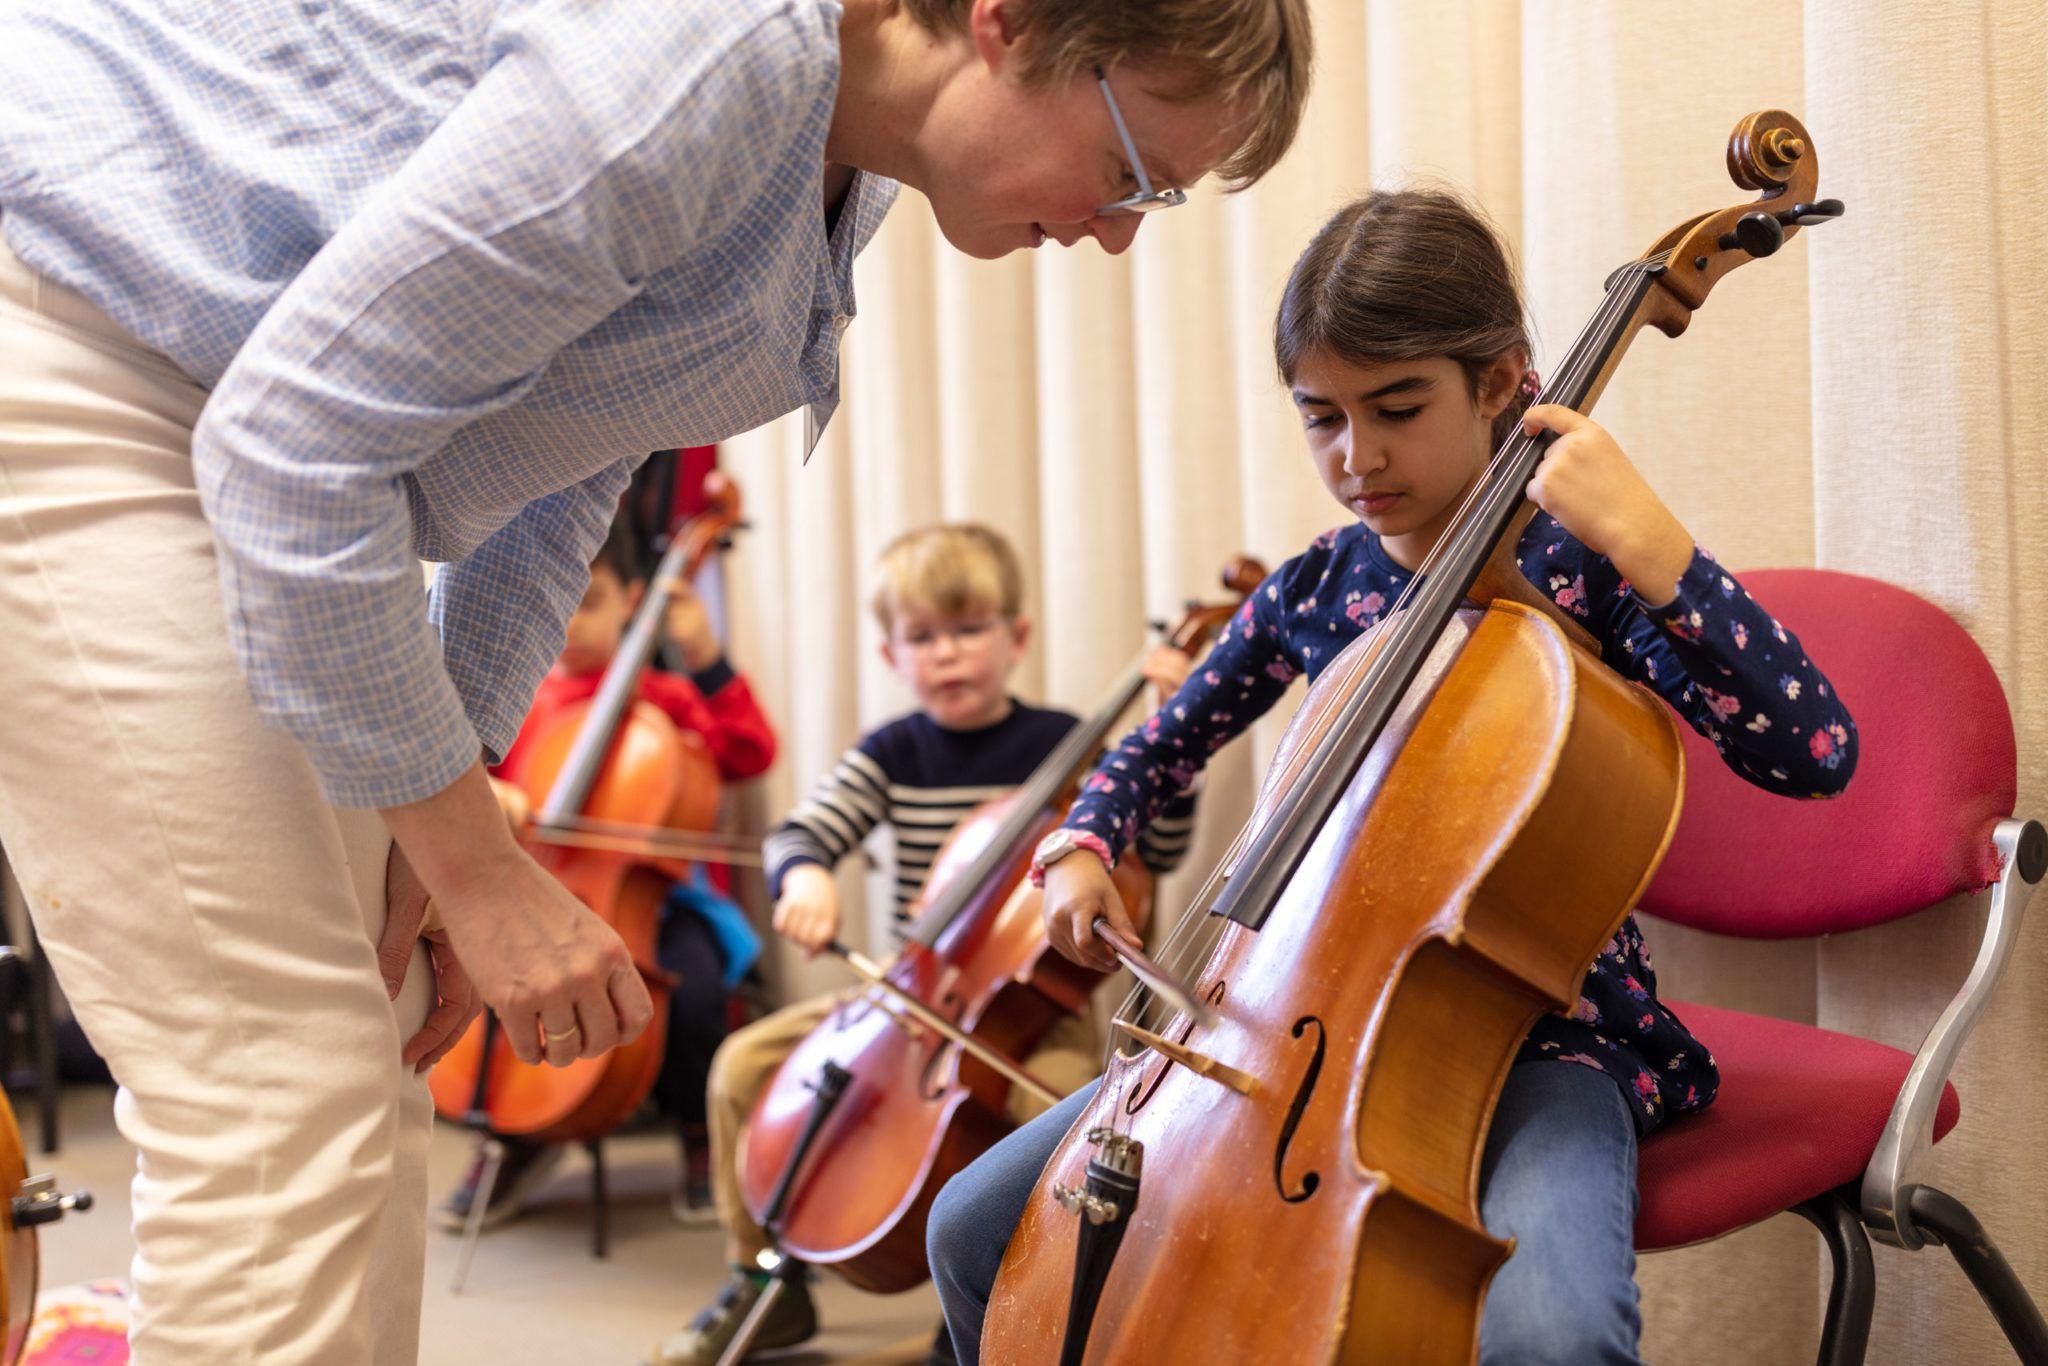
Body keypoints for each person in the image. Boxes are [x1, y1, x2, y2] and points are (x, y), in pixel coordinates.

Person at [0, 2, 1311, 1358]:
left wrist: (458, 809)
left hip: (224, 403)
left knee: (356, 1051)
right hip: (79, 328)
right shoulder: (713, 60)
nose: (1122, 229)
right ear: (1008, 25)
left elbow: (556, 459)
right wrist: (480, 871)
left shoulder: (834, 158)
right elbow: (291, 455)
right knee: (275, 1091)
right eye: (1134, 170)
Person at [924, 188, 1861, 1365]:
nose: (1355, 456)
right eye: (1319, 417)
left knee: (1553, 1335)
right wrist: (1082, 845)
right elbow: (1155, 748)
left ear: (1505, 381)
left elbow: (1815, 753)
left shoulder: (1583, 573)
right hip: (1274, 1028)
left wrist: (1654, 545)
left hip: (1533, 1037)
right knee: (971, 1229)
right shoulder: (1317, 590)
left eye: (1395, 407)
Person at [653, 523, 1197, 1366]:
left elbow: (1154, 857)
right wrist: (804, 876)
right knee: (742, 1072)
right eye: (923, 638)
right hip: (906, 997)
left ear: (1016, 638)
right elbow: (802, 832)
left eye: (969, 630)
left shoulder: (1074, 748)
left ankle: (989, 1299)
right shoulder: (892, 753)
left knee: (1051, 1119)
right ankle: (765, 1280)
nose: (947, 655)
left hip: (1028, 1014)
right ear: (890, 654)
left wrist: (1174, 743)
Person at [439, 514, 778, 1231]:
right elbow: (466, 784)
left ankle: (697, 1130)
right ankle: (514, 1133)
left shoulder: (664, 700)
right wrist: (489, 795)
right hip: (537, 891)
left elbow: (749, 754)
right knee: (499, 985)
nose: (568, 626)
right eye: (552, 606)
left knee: (693, 993)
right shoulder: (515, 704)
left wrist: (706, 656)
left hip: (649, 901)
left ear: (631, 600)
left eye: (588, 602)